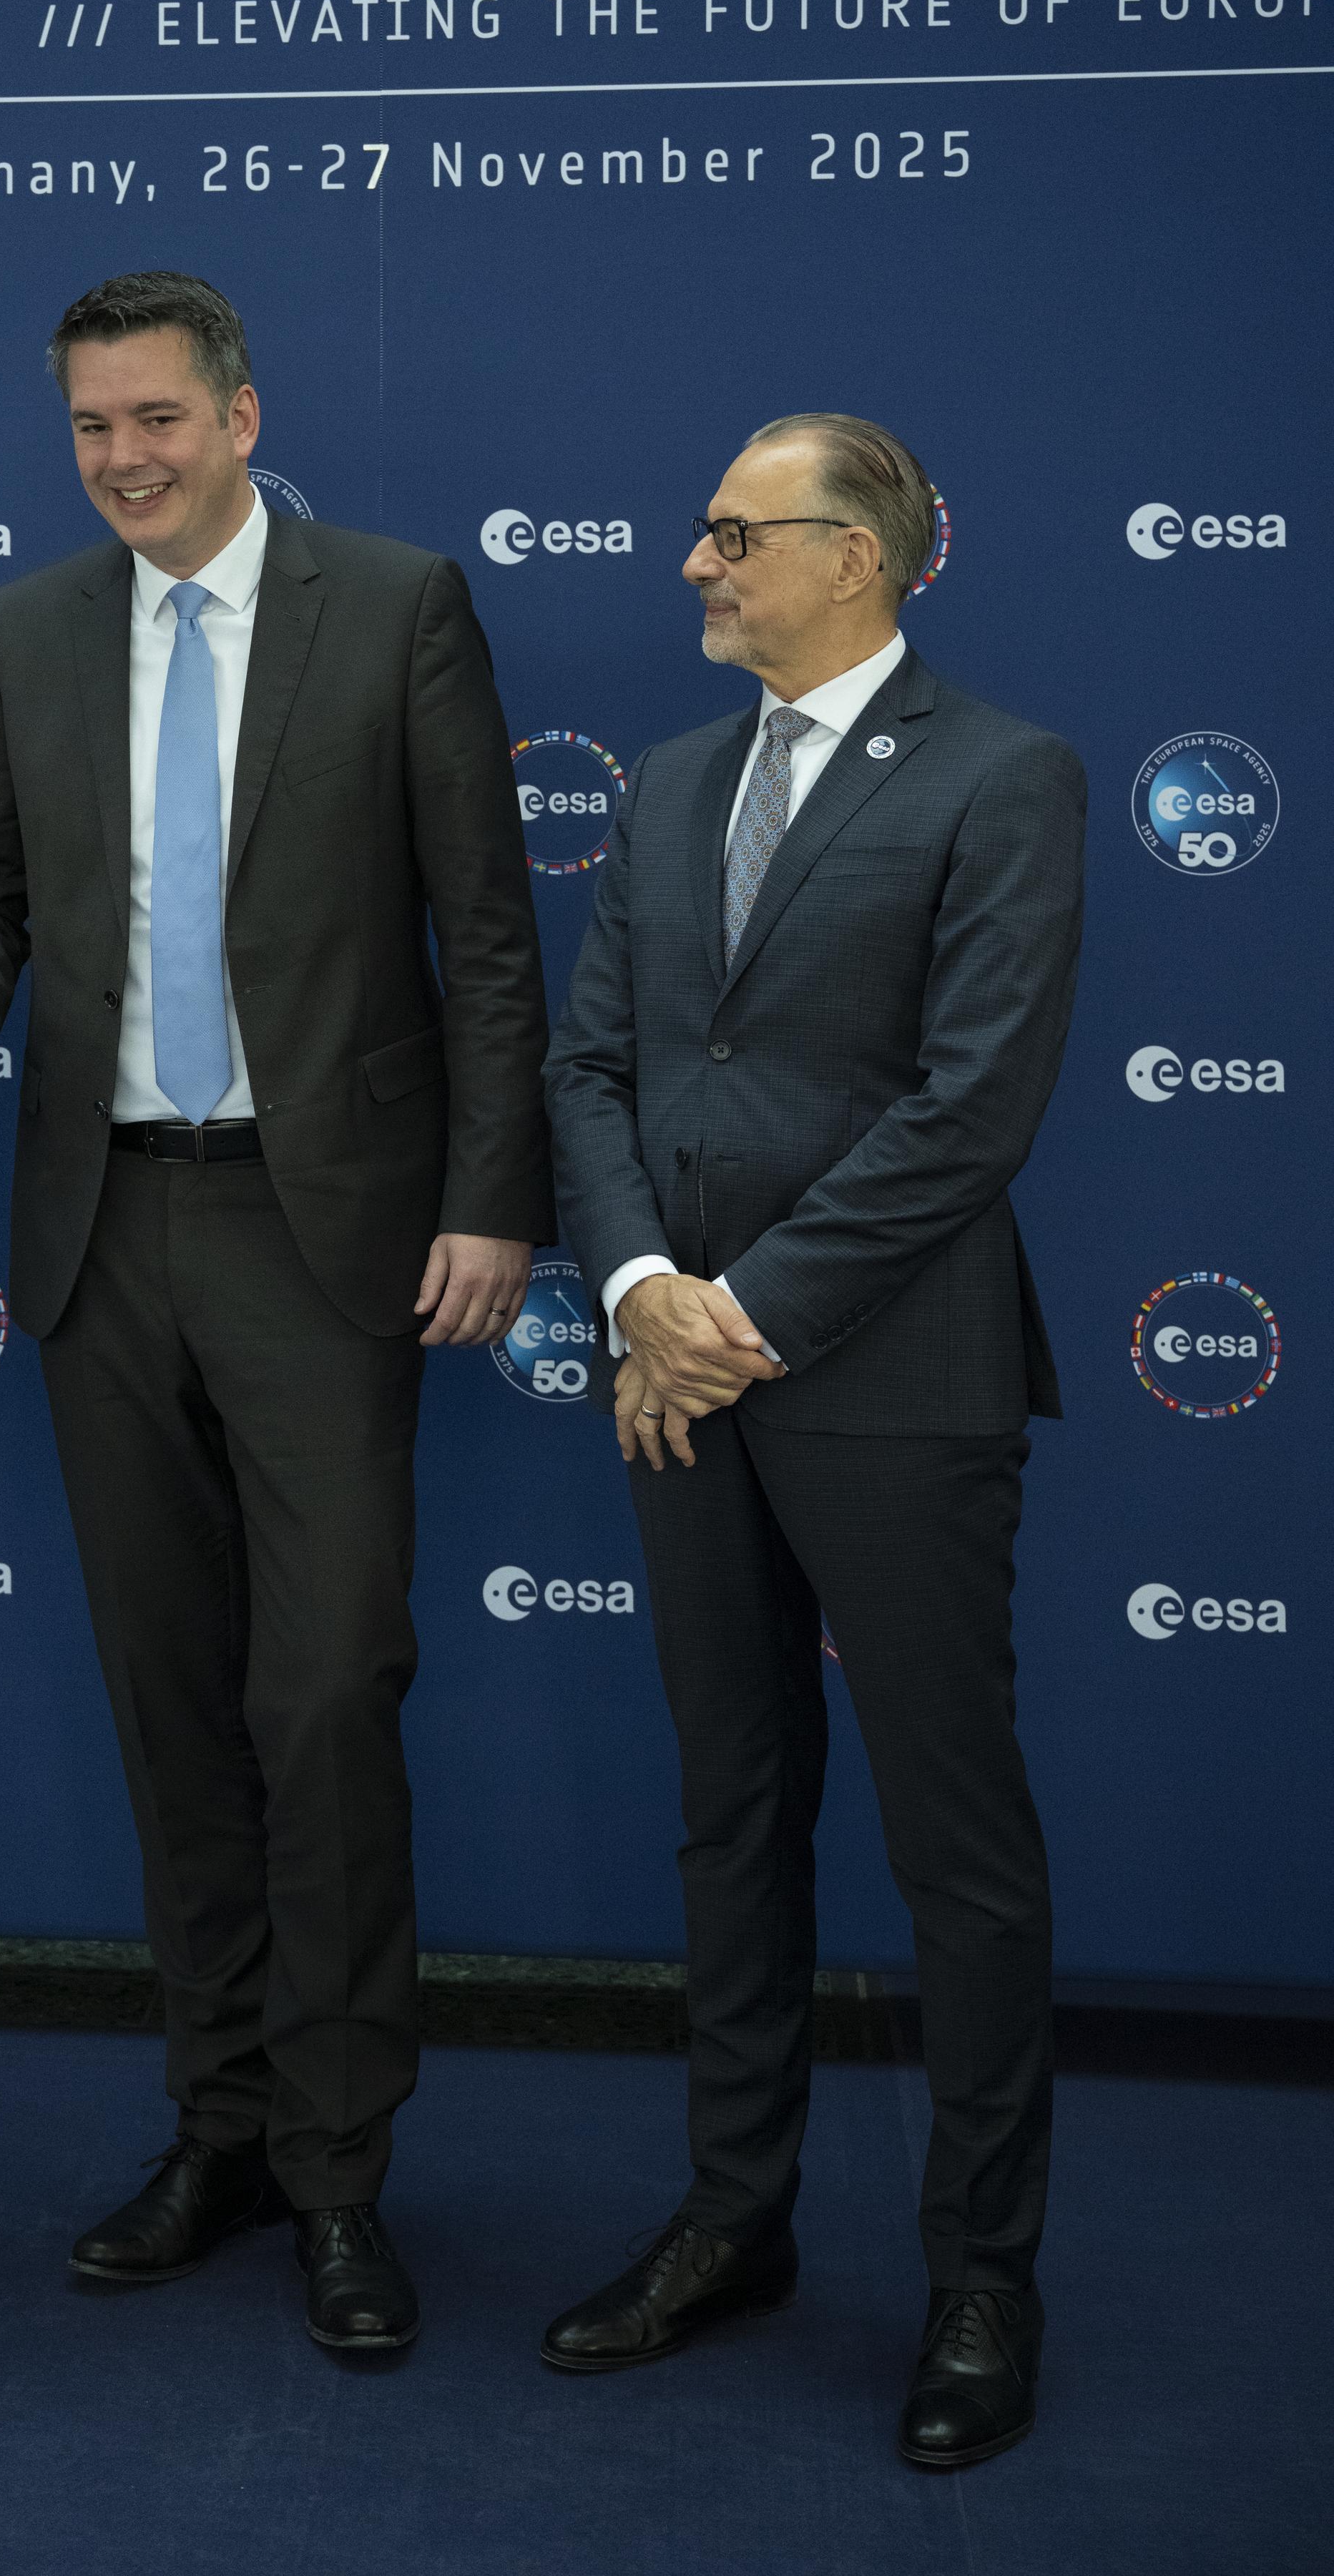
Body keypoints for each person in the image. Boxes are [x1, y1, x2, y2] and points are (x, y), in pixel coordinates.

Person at [0, 273, 549, 2354]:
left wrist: (496, 1197)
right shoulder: (26, 629)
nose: (125, 459)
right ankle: (228, 2126)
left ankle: (345, 2173)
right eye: (93, 427)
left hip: (322, 1229)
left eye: (159, 419)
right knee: (175, 1705)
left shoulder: (399, 604)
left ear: (243, 418)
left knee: (326, 1695)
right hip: (103, 1230)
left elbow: (488, 931)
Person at [540, 413, 1083, 2469]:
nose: (697, 563)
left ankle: (983, 2280)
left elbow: (973, 1102)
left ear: (854, 557)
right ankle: (734, 2220)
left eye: (733, 533)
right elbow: (594, 1066)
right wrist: (638, 1292)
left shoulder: (1002, 773)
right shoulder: (677, 782)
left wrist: (738, 1321)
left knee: (957, 1846)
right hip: (673, 1373)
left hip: (889, 1378)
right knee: (732, 1813)